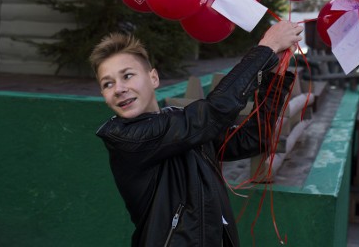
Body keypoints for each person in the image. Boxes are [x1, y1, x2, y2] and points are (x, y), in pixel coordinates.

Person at [91, 20, 304, 247]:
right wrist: (267, 48)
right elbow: (212, 114)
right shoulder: (125, 137)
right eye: (107, 84)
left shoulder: (179, 123)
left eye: (127, 75)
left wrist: (273, 80)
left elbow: (252, 139)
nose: (119, 89)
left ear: (153, 77)